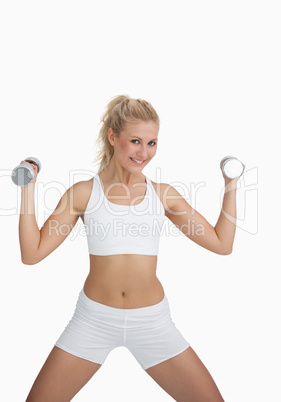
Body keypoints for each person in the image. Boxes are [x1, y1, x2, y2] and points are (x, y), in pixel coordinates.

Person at [21, 95, 240, 401]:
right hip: (93, 320)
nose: (144, 152)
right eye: (135, 141)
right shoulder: (83, 193)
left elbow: (221, 244)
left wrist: (231, 183)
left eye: (152, 143)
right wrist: (27, 188)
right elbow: (32, 254)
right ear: (113, 136)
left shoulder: (163, 195)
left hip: (152, 322)